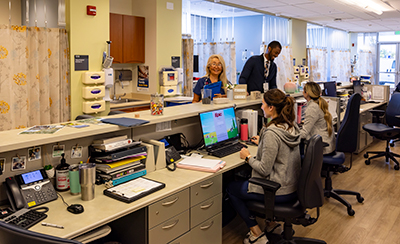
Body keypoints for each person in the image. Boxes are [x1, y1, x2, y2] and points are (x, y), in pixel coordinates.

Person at [227, 89, 301, 244]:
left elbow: (264, 169)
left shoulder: (271, 133)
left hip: (277, 190)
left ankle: (256, 232)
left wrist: (247, 157)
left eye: (263, 104)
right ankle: (271, 224)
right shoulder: (290, 126)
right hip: (292, 186)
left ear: (271, 107)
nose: (261, 107)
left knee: (231, 188)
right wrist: (263, 142)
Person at [301, 81, 336, 155]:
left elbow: (303, 134)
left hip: (321, 149)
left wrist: (287, 134)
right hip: (328, 145)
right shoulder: (319, 103)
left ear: (306, 93)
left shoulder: (312, 107)